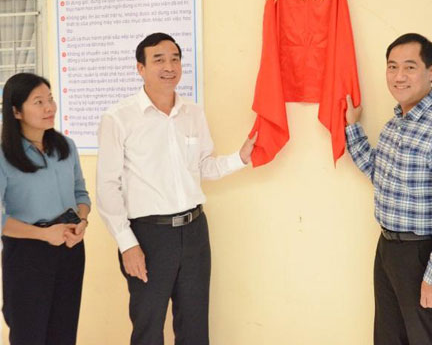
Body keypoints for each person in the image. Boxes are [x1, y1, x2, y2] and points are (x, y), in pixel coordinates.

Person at [96, 32, 255, 345]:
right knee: (148, 327)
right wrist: (127, 243)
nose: (169, 66)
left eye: (175, 58)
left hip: (195, 231)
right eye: (158, 59)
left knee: (195, 327)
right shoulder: (119, 118)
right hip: (148, 236)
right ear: (140, 68)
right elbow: (107, 187)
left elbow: (202, 167)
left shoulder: (192, 113)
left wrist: (241, 158)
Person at [345, 33, 432, 344]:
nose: (399, 76)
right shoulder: (394, 125)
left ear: (431, 72)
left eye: (410, 67)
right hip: (388, 247)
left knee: (423, 339)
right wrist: (352, 128)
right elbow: (378, 174)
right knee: (389, 338)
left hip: (421, 253)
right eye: (392, 67)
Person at [1, 73, 91, 345]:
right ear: (16, 111)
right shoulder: (4, 155)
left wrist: (82, 221)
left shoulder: (66, 147)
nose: (49, 108)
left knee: (64, 333)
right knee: (29, 334)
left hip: (70, 248)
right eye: (38, 102)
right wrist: (44, 235)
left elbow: (81, 194)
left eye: (50, 99)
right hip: (27, 253)